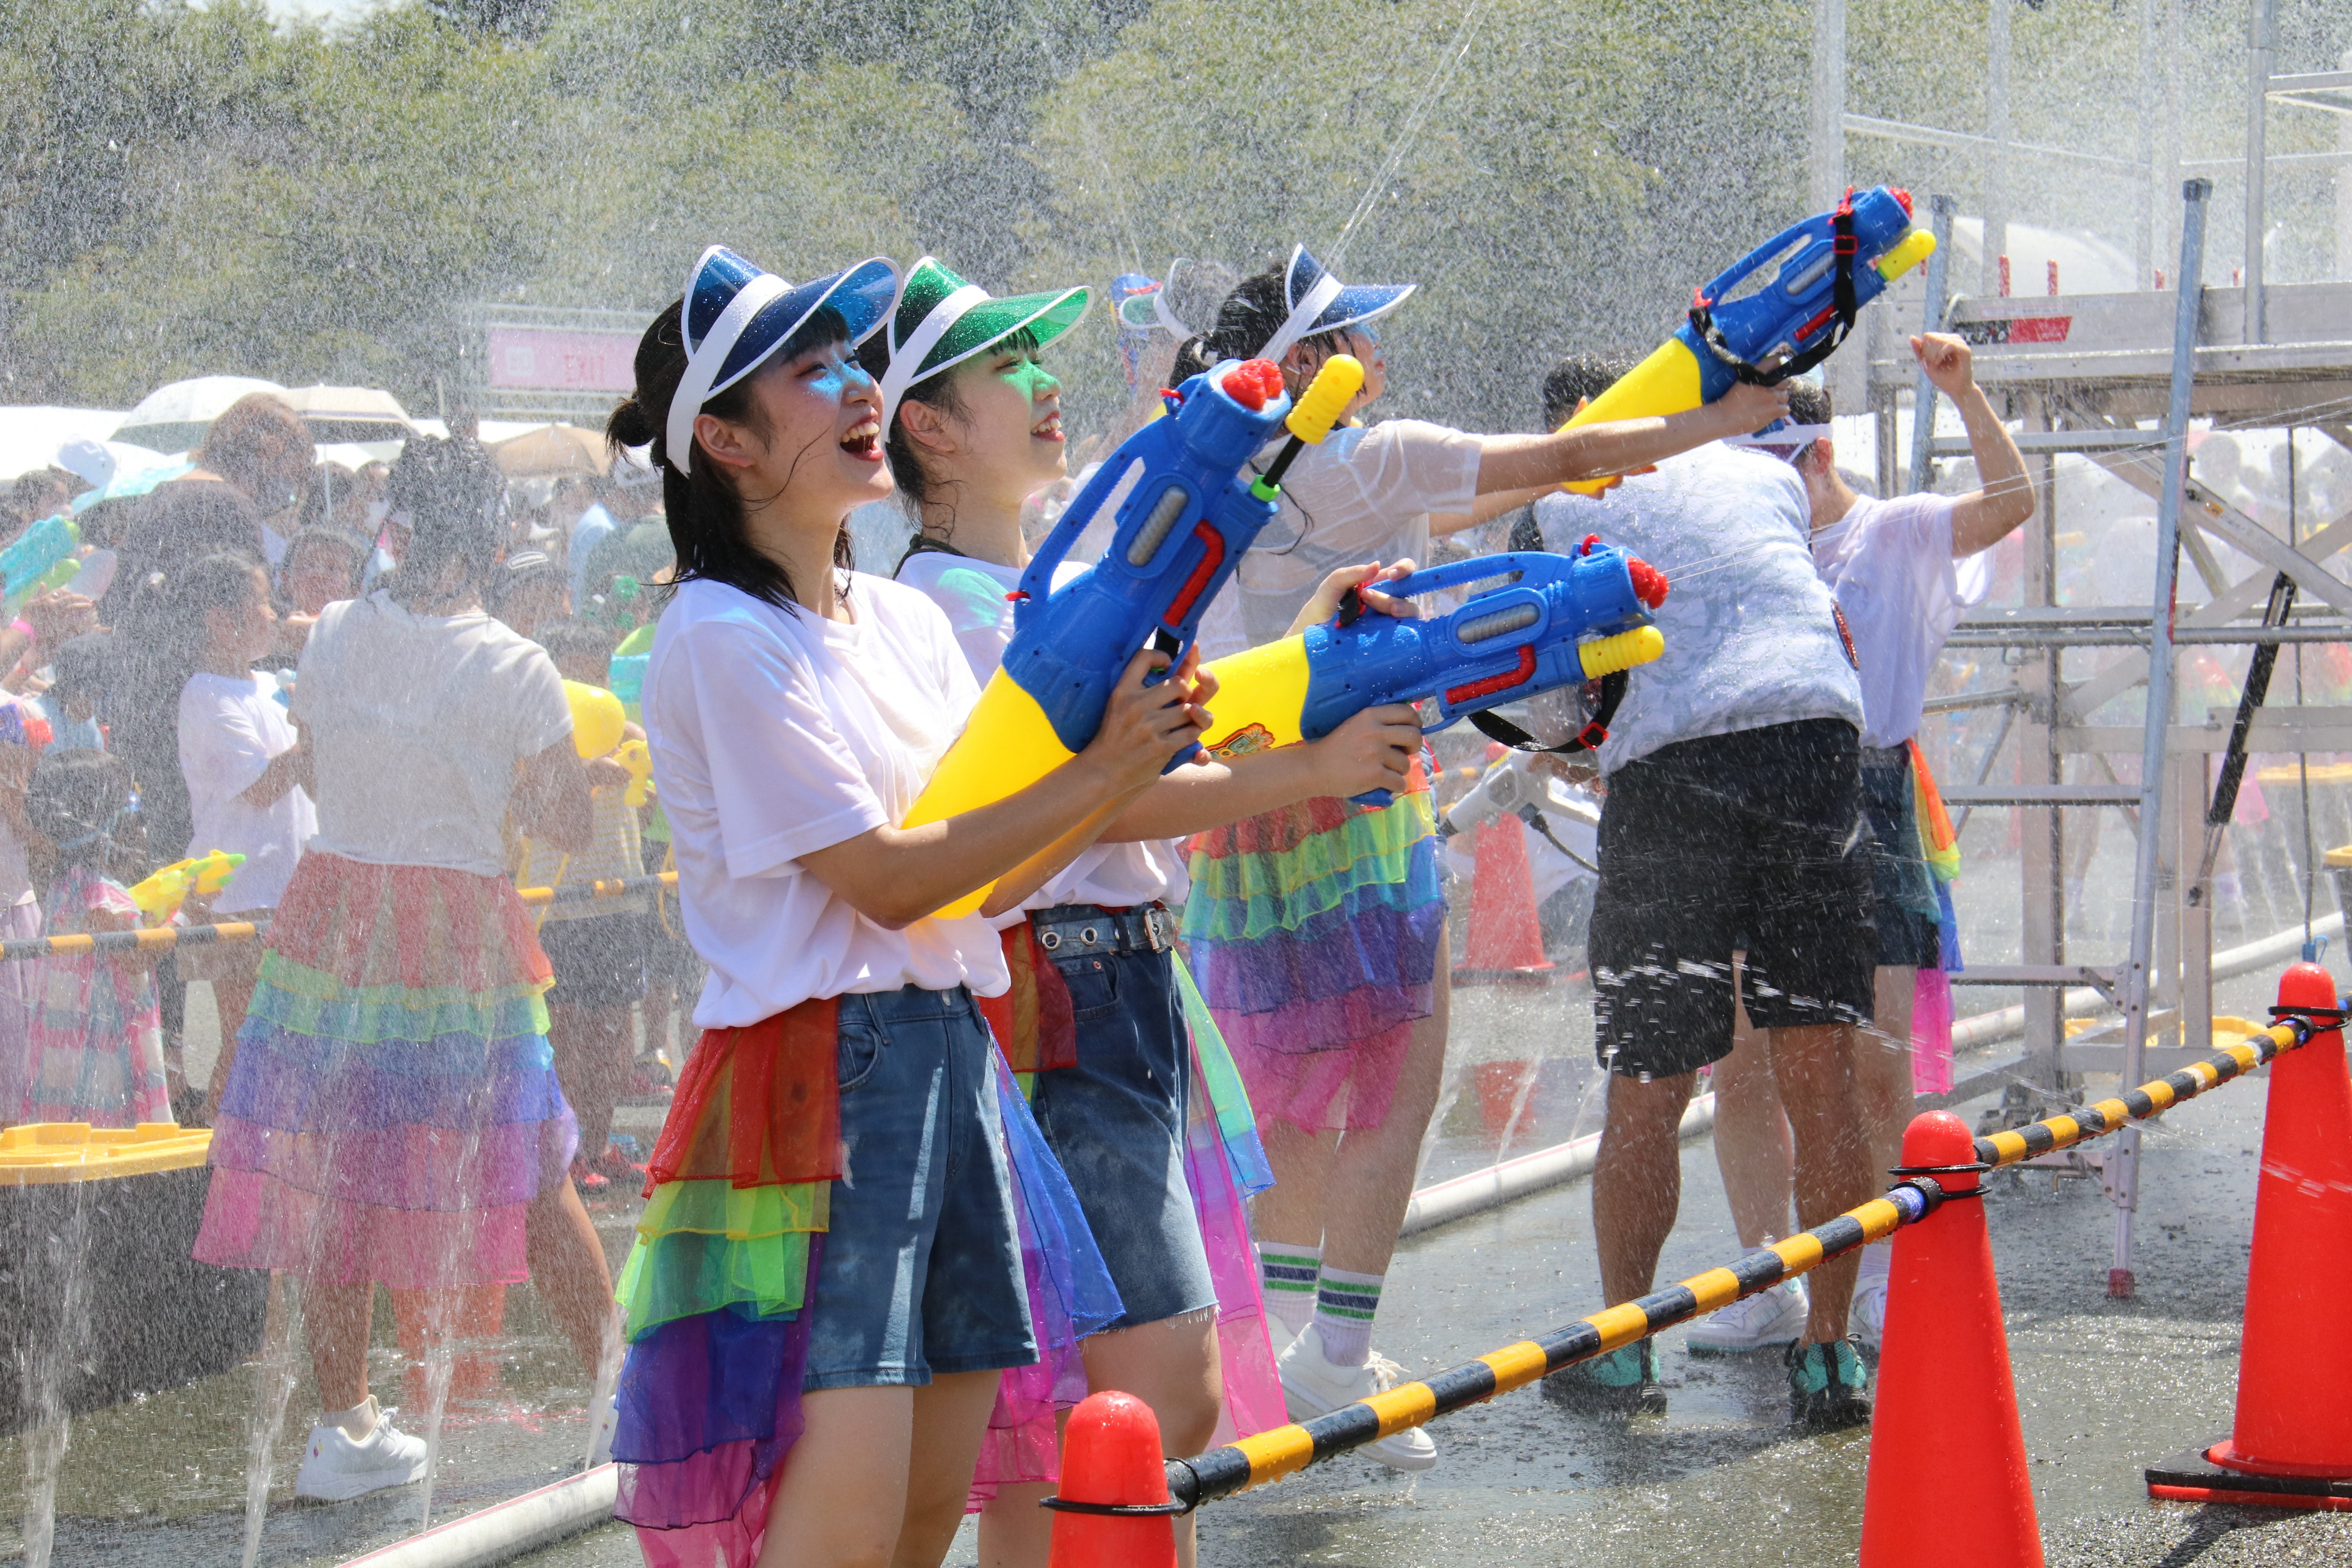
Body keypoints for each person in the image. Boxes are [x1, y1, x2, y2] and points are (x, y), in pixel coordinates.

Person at [603, 245, 1210, 1568]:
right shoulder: (719, 631)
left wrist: (1127, 756)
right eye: (811, 372)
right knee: (849, 1516)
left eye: (853, 361)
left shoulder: (901, 620)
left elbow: (988, 881)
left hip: (953, 1056)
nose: (857, 387)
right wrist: (1104, 771)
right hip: (823, 1076)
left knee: (933, 1505)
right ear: (725, 441)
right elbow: (883, 879)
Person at [1171, 249, 1789, 1457]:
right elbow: (1572, 455)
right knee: (1398, 1084)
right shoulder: (1374, 459)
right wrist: (1722, 413)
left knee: (1292, 1094)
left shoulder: (1229, 475)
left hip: (1246, 807)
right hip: (1361, 802)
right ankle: (1333, 1355)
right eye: (1354, 337)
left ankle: (1282, 1348)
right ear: (1309, 361)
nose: (1378, 356)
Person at [872, 256, 1422, 1552]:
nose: (1044, 382)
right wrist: (1310, 770)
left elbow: (1157, 741)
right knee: (1159, 1398)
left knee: (1066, 1421)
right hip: (1053, 988)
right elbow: (1091, 801)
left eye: (1038, 357)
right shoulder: (938, 609)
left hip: (1114, 978)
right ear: (929, 427)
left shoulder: (1033, 590)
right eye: (1006, 366)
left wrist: (1311, 653)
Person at [192, 434, 619, 1503]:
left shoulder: (335, 631)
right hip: (459, 927)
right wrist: (554, 785)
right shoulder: (515, 664)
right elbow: (564, 821)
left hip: (337, 920)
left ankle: (344, 1427)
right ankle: (620, 1398)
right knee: (532, 1162)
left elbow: (328, 759)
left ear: (400, 527)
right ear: (492, 538)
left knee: (336, 1165)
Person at [1522, 353, 1875, 1426]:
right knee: (1818, 1067)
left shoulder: (1555, 497)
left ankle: (1623, 1348)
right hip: (1815, 738)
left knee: (1651, 1075)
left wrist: (1586, 749)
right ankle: (1830, 1353)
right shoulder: (1760, 468)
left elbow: (1550, 703)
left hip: (1678, 771)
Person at [1691, 336, 2031, 1355]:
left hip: (1869, 790)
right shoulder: (1740, 547)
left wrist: (1965, 394)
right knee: (1744, 1063)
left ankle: (1880, 1267)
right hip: (1754, 793)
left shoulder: (1895, 530)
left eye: (1770, 468)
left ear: (1819, 453)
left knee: (1874, 1059)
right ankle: (1768, 1275)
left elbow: (2011, 502)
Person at [170, 552, 316, 1123]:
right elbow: (262, 787)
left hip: (292, 884)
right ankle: (219, 1150)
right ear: (219, 619)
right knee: (248, 1034)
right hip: (240, 892)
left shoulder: (268, 685)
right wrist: (320, 729)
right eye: (262, 602)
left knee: (291, 1034)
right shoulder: (206, 694)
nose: (274, 614)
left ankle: (262, 1149)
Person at [511, 617, 647, 1195]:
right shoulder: (534, 739)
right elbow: (518, 804)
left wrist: (642, 770)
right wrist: (579, 775)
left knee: (613, 1034)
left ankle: (598, 1142)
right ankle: (564, 1155)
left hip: (618, 900)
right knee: (565, 1035)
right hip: (558, 906)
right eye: (577, 676)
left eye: (599, 675)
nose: (591, 689)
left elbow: (651, 798)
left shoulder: (625, 730)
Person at [19, 749, 167, 1127]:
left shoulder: (63, 883)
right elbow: (136, 957)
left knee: (64, 1126)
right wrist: (183, 917)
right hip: (100, 1038)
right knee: (103, 1129)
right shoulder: (98, 893)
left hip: (67, 1041)